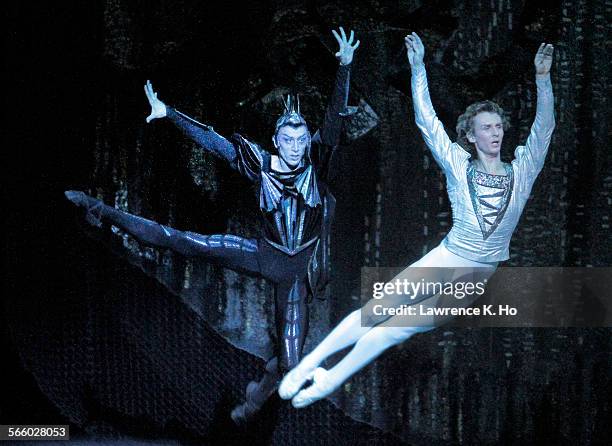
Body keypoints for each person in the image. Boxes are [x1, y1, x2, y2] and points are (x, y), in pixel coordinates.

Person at [65, 27, 360, 424]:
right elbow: (214, 142)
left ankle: (256, 398)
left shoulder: (317, 163)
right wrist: (168, 114)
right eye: (289, 139)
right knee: (182, 241)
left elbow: (335, 123)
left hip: (295, 273)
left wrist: (344, 67)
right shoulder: (260, 165)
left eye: (302, 139)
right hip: (263, 254)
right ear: (276, 140)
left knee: (290, 363)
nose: (297, 146)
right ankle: (98, 207)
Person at [279, 32, 555, 408]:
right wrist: (418, 68)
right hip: (445, 259)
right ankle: (306, 366)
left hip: (477, 276)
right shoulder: (459, 165)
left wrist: (542, 79)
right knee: (374, 312)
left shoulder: (522, 170)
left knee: (392, 331)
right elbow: (427, 121)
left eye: (498, 126)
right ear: (471, 137)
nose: (495, 132)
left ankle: (327, 383)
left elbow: (543, 130)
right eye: (486, 127)